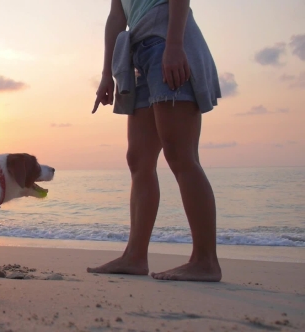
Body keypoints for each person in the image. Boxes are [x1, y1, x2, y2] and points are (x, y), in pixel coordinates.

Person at [88, 0, 222, 282]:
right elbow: (117, 16)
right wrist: (106, 74)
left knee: (180, 154)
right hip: (139, 54)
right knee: (138, 159)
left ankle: (205, 260)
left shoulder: (172, 44)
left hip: (167, 44)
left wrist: (174, 45)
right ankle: (134, 256)